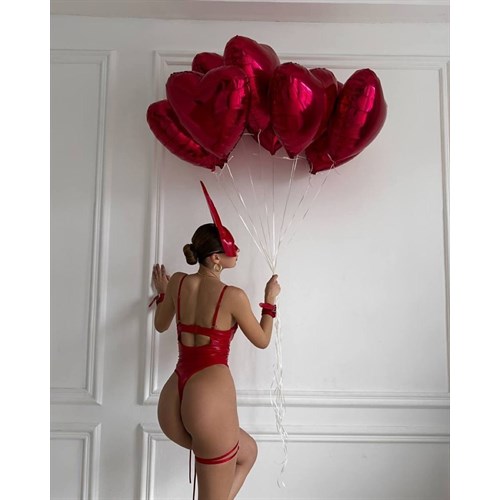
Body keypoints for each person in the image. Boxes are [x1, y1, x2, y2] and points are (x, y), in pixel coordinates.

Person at [150, 220, 280, 500]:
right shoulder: (233, 296)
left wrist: (163, 293)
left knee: (248, 452)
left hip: (174, 397)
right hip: (208, 398)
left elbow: (160, 325)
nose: (238, 251)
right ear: (216, 259)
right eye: (231, 247)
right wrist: (270, 301)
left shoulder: (177, 282)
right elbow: (262, 340)